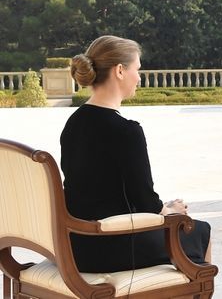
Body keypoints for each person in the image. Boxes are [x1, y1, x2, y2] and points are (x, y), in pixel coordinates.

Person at [61, 35, 212, 272]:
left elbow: (95, 193)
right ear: (120, 71)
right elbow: (146, 203)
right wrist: (171, 212)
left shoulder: (73, 123)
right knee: (199, 230)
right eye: (137, 69)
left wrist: (163, 207)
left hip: (74, 246)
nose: (139, 78)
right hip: (112, 244)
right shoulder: (127, 131)